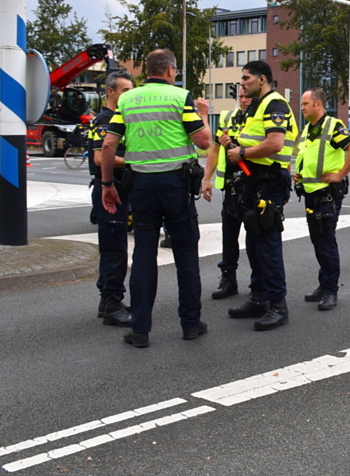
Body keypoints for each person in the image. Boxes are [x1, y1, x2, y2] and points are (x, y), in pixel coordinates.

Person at [100, 49, 212, 348]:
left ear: (146, 70)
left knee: (143, 258)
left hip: (142, 187)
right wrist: (203, 114)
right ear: (171, 71)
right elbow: (203, 141)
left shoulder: (127, 100)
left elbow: (109, 145)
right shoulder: (179, 97)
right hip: (176, 186)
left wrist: (107, 184)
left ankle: (140, 330)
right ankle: (190, 324)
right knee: (186, 256)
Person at [225, 61, 298, 331]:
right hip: (254, 182)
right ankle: (258, 298)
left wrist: (241, 153)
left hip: (268, 184)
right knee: (255, 245)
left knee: (267, 246)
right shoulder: (257, 106)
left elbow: (275, 143)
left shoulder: (275, 104)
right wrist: (235, 147)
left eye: (246, 78)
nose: (242, 83)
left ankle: (278, 306)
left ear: (262, 79)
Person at [293, 88, 350, 311]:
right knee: (318, 241)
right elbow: (310, 156)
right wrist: (299, 173)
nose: (301, 107)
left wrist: (340, 174)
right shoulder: (308, 129)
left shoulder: (333, 126)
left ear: (318, 105)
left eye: (305, 104)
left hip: (327, 194)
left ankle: (331, 290)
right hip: (312, 193)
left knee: (326, 242)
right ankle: (324, 285)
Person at [88, 70, 134, 326]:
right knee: (115, 249)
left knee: (113, 247)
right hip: (110, 189)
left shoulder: (120, 119)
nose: (129, 95)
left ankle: (107, 300)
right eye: (125, 90)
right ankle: (113, 303)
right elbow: (99, 157)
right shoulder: (105, 120)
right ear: (111, 92)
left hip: (118, 188)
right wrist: (134, 161)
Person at [202, 89, 258, 300]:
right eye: (240, 97)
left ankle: (257, 285)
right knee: (228, 236)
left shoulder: (260, 118)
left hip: (252, 186)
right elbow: (215, 149)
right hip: (231, 188)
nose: (243, 101)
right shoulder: (229, 117)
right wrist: (207, 178)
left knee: (254, 239)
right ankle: (228, 279)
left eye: (247, 97)